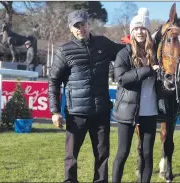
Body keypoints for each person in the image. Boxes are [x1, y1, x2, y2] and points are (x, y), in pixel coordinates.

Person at [48, 10, 124, 183]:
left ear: (88, 24)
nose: (80, 28)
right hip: (76, 114)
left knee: (102, 155)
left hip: (101, 111)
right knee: (71, 156)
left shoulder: (103, 43)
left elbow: (124, 52)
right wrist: (54, 111)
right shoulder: (64, 51)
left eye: (83, 24)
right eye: (76, 26)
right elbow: (53, 81)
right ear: (71, 29)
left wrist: (143, 41)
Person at [111, 8, 159, 183]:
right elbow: (121, 79)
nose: (140, 32)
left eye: (143, 28)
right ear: (132, 31)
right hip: (127, 112)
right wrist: (147, 70)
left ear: (147, 31)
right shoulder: (123, 53)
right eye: (136, 28)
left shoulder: (155, 54)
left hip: (150, 112)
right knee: (122, 153)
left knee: (147, 154)